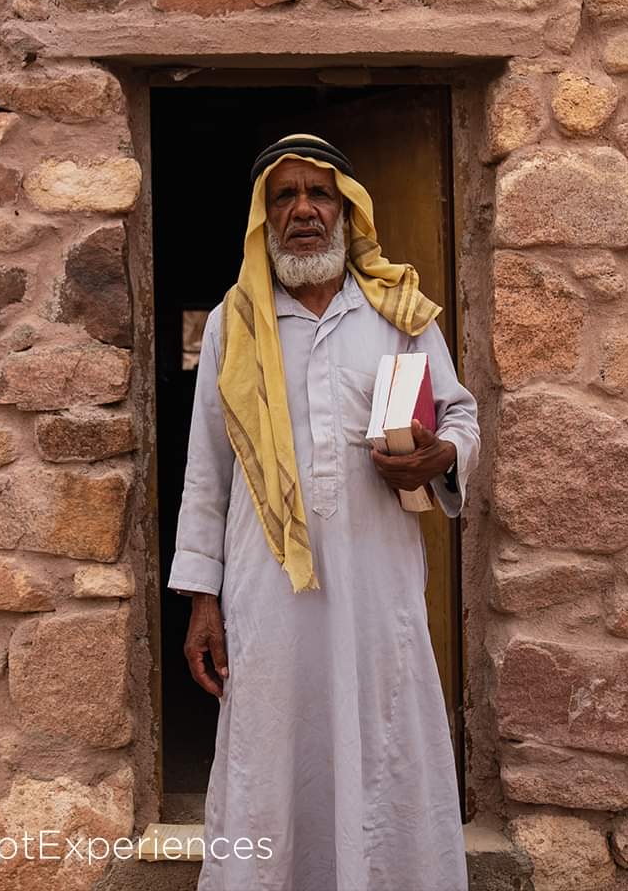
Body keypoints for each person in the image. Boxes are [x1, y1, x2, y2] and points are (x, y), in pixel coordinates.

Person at [167, 133, 480, 891]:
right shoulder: (233, 325)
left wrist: (440, 455)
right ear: (263, 217)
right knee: (272, 748)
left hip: (378, 586)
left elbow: (461, 416)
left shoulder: (399, 313)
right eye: (285, 196)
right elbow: (207, 468)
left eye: (320, 195)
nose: (303, 209)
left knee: (384, 740)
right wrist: (203, 600)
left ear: (347, 212)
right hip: (267, 591)